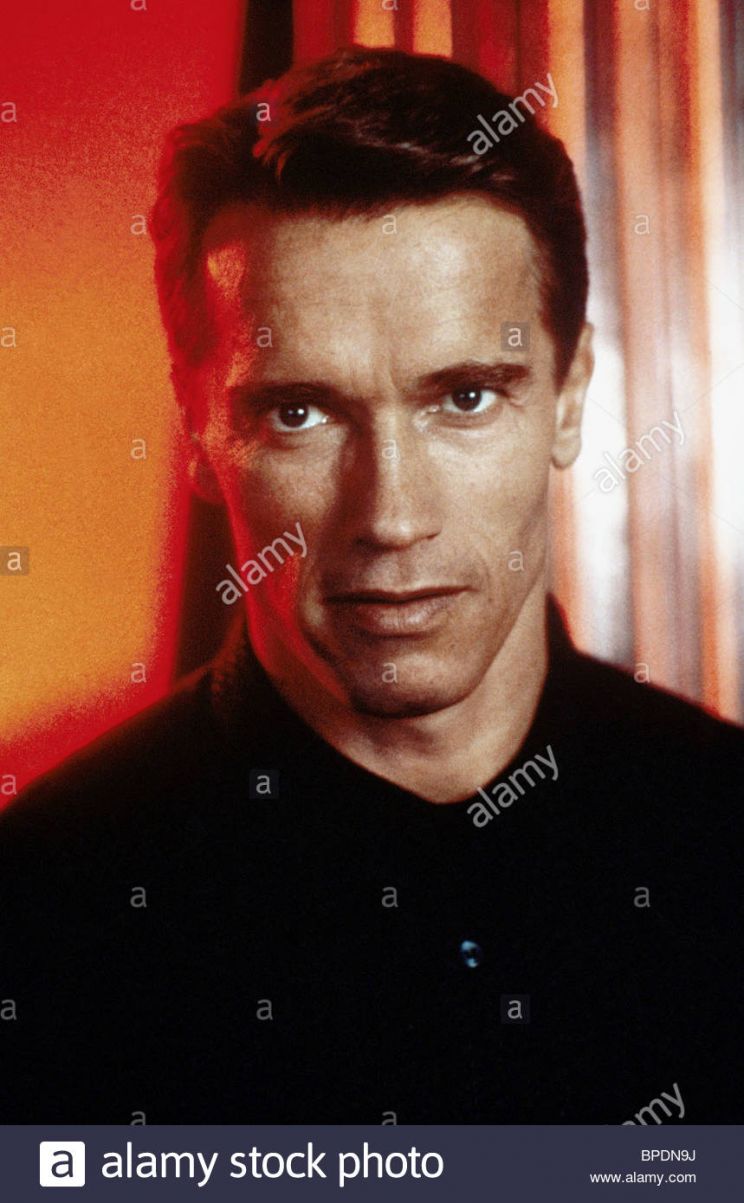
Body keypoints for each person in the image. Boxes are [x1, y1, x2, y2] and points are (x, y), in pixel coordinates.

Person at [1, 46, 742, 1125]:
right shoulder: (40, 910)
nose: (391, 515)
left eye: (465, 397)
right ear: (197, 427)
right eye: (298, 412)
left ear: (571, 397)